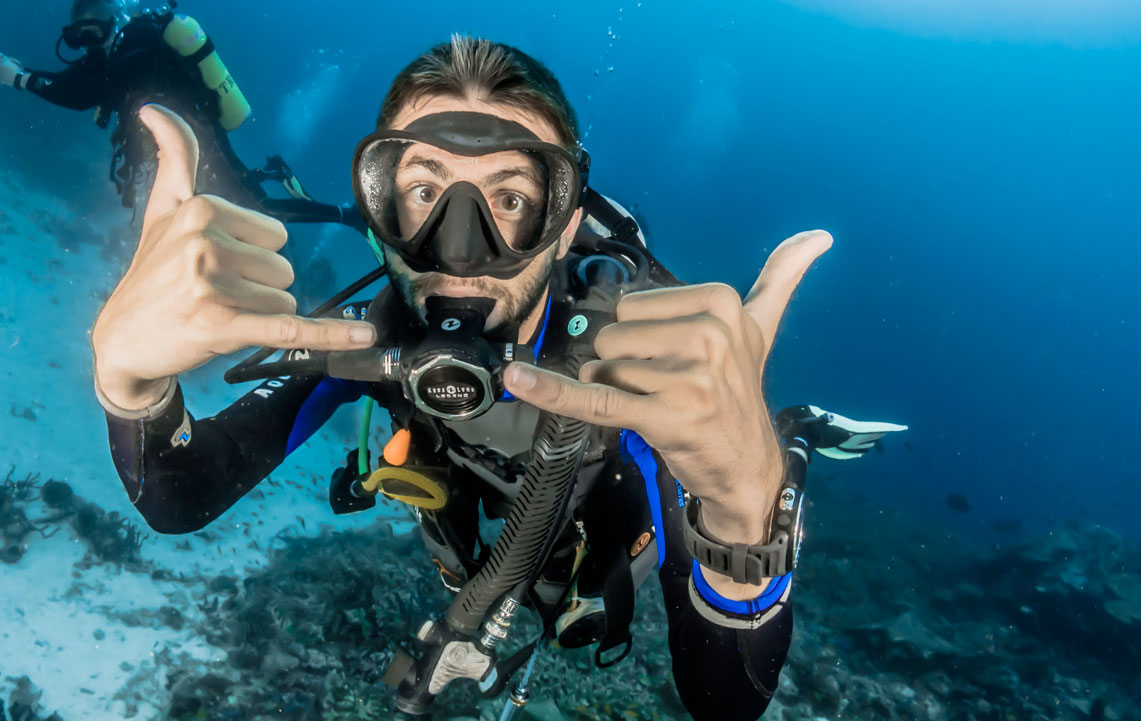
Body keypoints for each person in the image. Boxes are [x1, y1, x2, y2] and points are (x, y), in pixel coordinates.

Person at [89, 36, 902, 720]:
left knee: (741, 462)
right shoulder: (368, 335)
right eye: (423, 190)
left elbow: (725, 699)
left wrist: (745, 510)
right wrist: (129, 382)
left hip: (594, 555)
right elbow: (179, 492)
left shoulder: (632, 372)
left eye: (511, 198)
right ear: (379, 211)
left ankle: (790, 439)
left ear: (566, 224)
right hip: (489, 552)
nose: (461, 249)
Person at [0, 0, 353, 228]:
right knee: (216, 201)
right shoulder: (115, 54)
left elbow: (79, 92)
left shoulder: (132, 48)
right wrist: (25, 75)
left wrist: (21, 79)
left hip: (195, 137)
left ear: (111, 23)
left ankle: (348, 215)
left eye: (92, 31)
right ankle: (271, 173)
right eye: (78, 37)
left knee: (258, 209)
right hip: (181, 142)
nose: (87, 43)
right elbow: (79, 83)